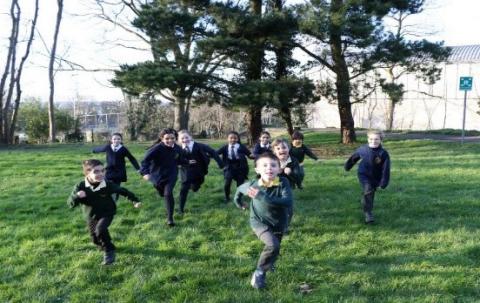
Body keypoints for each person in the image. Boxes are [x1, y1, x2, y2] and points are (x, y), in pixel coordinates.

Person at [233, 152, 293, 289]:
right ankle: (259, 272)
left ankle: (269, 263)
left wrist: (263, 197)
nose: (269, 168)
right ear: (257, 170)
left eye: (273, 165)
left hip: (279, 222)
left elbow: (288, 202)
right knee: (273, 245)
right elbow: (239, 189)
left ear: (279, 168)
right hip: (258, 221)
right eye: (264, 165)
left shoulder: (283, 183)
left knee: (275, 247)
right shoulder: (254, 185)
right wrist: (238, 202)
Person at [67, 159, 141, 265]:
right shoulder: (81, 186)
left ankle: (109, 251)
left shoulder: (107, 185)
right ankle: (105, 245)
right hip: (91, 216)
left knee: (100, 230)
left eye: (102, 170)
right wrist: (77, 196)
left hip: (107, 212)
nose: (101, 174)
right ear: (87, 173)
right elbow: (70, 204)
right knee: (95, 239)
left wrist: (135, 200)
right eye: (96, 171)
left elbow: (123, 191)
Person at [140, 128, 185, 227]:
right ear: (161, 138)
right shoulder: (156, 148)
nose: (170, 141)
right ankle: (161, 191)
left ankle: (170, 218)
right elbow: (144, 161)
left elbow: (181, 159)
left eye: (172, 138)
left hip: (171, 174)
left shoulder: (178, 148)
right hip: (157, 175)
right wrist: (145, 173)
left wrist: (187, 162)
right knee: (161, 192)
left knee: (168, 194)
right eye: (167, 138)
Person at [344, 130, 390, 223]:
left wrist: (384, 182)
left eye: (376, 139)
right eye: (371, 139)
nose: (373, 141)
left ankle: (366, 201)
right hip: (364, 174)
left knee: (371, 191)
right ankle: (368, 213)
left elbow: (386, 169)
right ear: (368, 139)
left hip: (376, 176)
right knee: (368, 190)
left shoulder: (383, 153)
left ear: (381, 140)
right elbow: (354, 158)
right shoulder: (363, 149)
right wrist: (347, 166)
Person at [177, 130, 223, 214]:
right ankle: (181, 209)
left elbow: (212, 152)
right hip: (185, 171)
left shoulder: (199, 146)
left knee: (195, 187)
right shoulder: (178, 148)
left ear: (190, 137)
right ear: (179, 140)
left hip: (199, 170)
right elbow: (173, 159)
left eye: (186, 137)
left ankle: (194, 186)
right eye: (182, 138)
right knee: (183, 189)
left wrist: (220, 163)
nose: (185, 140)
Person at [92, 133, 140, 200]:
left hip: (119, 171)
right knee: (104, 183)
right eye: (114, 139)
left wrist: (138, 168)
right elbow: (100, 149)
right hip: (109, 170)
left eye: (118, 139)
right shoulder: (108, 147)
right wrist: (93, 150)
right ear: (111, 140)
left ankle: (115, 200)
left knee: (117, 187)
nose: (116, 140)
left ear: (121, 140)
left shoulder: (123, 149)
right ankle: (104, 196)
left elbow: (131, 158)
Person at [217, 131, 253, 203]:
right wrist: (206, 155)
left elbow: (250, 155)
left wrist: (258, 156)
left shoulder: (241, 147)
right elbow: (216, 153)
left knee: (240, 184)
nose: (233, 140)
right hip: (229, 167)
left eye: (235, 138)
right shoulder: (225, 147)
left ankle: (238, 198)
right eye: (231, 138)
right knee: (227, 182)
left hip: (240, 167)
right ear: (227, 139)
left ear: (238, 139)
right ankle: (227, 197)